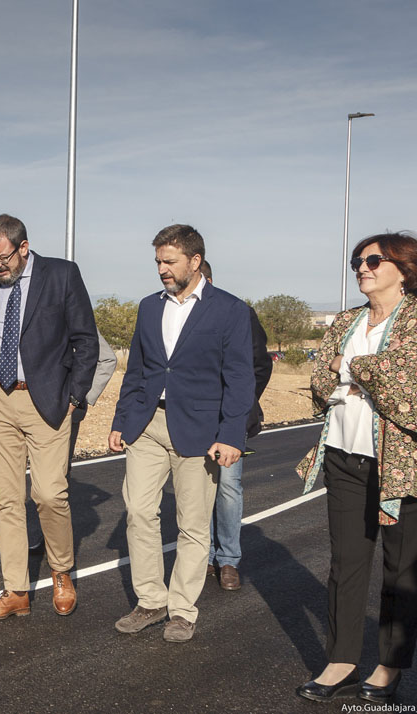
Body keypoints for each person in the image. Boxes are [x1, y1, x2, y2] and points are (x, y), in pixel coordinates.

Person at [294, 232, 417, 704]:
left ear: (405, 269)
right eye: (358, 261)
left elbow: (412, 382)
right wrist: (360, 370)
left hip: (407, 464)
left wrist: (349, 366)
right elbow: (319, 381)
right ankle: (341, 661)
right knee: (345, 565)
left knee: (402, 569)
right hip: (344, 456)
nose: (362, 267)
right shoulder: (346, 319)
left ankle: (388, 666)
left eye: (374, 260)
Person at [0, 213, 99, 620]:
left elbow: (86, 341)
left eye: (2, 258)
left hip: (47, 401)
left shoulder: (62, 275)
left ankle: (60, 571)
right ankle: (16, 590)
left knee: (49, 493)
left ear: (23, 248)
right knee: (6, 500)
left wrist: (75, 397)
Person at [109, 224, 254, 643]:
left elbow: (240, 378)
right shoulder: (148, 307)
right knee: (138, 512)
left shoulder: (230, 309)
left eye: (169, 261)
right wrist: (121, 420)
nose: (161, 269)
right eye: (157, 261)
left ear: (195, 261)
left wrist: (232, 435)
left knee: (192, 525)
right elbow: (136, 369)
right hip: (147, 425)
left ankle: (182, 610)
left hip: (201, 431)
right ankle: (151, 601)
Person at [200, 259, 273, 591]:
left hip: (231, 418)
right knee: (197, 490)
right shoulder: (175, 314)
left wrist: (240, 403)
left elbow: (260, 365)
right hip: (193, 418)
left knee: (228, 488)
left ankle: (228, 560)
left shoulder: (238, 312)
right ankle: (203, 556)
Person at [28, 328, 117, 554]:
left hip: (64, 410)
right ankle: (42, 537)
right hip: (27, 408)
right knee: (35, 478)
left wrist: (82, 397)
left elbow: (107, 359)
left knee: (56, 477)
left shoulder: (77, 318)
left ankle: (53, 542)